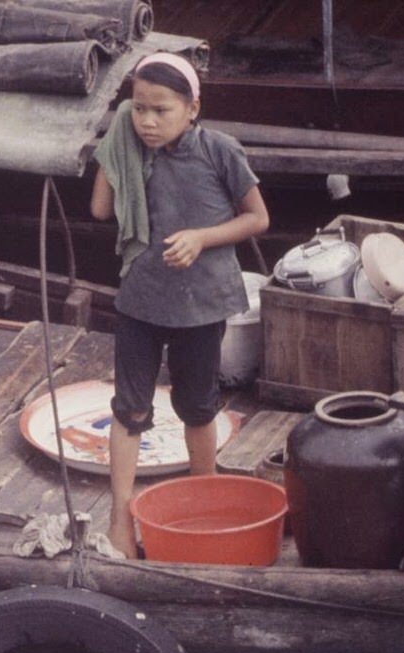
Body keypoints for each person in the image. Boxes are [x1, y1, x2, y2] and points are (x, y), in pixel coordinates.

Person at [89, 51, 269, 559]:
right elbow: (100, 210)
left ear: (192, 108)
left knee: (197, 406)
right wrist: (114, 139)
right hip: (141, 299)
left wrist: (201, 237)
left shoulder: (219, 151)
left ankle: (203, 502)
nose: (148, 121)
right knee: (130, 408)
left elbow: (257, 219)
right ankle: (120, 516)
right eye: (139, 108)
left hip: (200, 304)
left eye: (161, 110)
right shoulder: (130, 146)